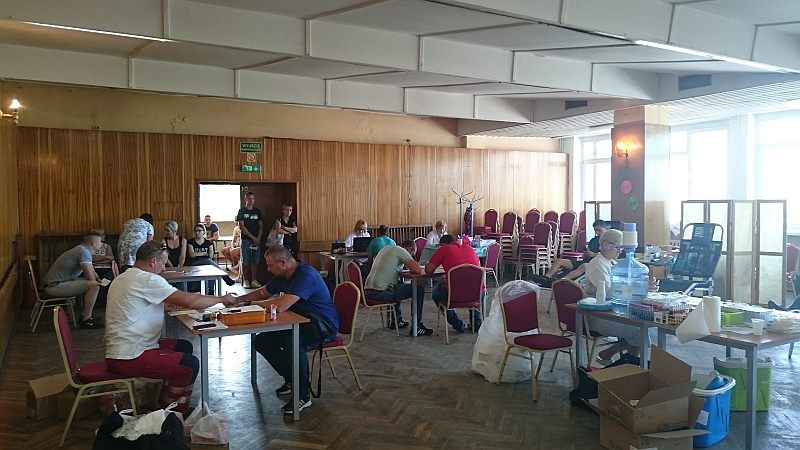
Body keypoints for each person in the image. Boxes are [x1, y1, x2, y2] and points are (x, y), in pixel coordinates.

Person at [104, 241, 238, 416]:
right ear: (153, 261)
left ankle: (164, 400)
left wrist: (162, 305)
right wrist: (221, 299)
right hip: (130, 356)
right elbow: (192, 301)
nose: (164, 268)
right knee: (190, 365)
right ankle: (170, 412)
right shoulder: (148, 279)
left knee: (184, 347)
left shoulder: (123, 278)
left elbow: (134, 305)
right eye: (162, 263)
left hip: (120, 350)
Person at [237, 245, 338, 414]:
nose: (268, 269)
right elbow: (263, 293)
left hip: (322, 325)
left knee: (293, 342)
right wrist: (239, 300)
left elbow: (280, 306)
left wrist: (249, 304)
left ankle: (302, 394)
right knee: (261, 341)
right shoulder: (282, 275)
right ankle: (292, 378)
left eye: (270, 265)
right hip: (299, 320)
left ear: (283, 263)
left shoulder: (305, 275)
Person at [583, 229, 641, 364]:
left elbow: (624, 285)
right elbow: (609, 292)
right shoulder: (597, 265)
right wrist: (634, 289)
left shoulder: (611, 263)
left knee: (641, 327)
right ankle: (628, 365)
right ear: (605, 245)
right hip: (598, 316)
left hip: (611, 311)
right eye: (617, 247)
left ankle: (612, 356)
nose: (620, 251)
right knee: (639, 330)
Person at [365, 240, 433, 336]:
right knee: (419, 290)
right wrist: (412, 263)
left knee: (398, 284)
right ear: (410, 249)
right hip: (381, 293)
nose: (411, 256)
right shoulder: (401, 251)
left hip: (368, 292)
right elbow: (417, 270)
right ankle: (416, 327)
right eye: (412, 254)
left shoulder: (386, 248)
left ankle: (395, 321)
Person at [44, 231, 105, 329]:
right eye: (100, 242)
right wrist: (97, 281)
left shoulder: (83, 249)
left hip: (58, 283)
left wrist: (97, 278)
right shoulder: (83, 252)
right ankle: (86, 320)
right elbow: (90, 276)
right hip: (54, 286)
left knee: (94, 283)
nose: (101, 244)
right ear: (93, 243)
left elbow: (92, 271)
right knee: (94, 285)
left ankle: (85, 316)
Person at [425, 234, 482, 333]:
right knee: (472, 287)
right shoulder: (470, 249)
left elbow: (428, 270)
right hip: (477, 294)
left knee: (436, 293)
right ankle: (476, 324)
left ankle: (457, 324)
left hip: (455, 294)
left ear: (443, 244)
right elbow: (477, 269)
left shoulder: (443, 249)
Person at [544, 219, 609, 280]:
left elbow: (608, 256)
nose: (597, 232)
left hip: (596, 264)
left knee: (584, 266)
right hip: (584, 261)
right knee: (559, 261)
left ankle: (561, 281)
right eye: (595, 231)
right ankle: (546, 278)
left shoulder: (609, 241)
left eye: (599, 230)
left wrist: (594, 254)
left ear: (606, 228)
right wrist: (586, 253)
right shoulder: (593, 240)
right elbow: (588, 252)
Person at [186, 223, 235, 293]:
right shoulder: (191, 242)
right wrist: (203, 253)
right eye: (195, 231)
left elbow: (211, 255)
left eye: (199, 230)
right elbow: (192, 255)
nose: (197, 232)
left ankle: (211, 290)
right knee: (210, 263)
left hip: (206, 262)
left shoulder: (208, 242)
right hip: (194, 263)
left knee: (212, 268)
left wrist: (198, 254)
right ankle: (225, 277)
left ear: (203, 232)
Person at [236, 191, 264, 289]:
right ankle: (246, 280)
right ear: (246, 199)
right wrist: (253, 237)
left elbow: (261, 226)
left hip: (257, 240)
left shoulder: (257, 211)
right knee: (246, 261)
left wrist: (258, 238)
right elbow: (242, 227)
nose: (251, 200)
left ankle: (254, 280)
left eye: (253, 198)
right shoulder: (242, 211)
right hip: (246, 240)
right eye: (249, 198)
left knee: (255, 261)